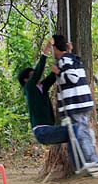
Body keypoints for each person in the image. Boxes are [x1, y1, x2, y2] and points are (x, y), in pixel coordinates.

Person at [17, 38, 79, 170]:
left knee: (74, 133)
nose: (37, 76)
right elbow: (40, 70)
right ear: (26, 80)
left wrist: (67, 53)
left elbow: (54, 74)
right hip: (42, 131)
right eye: (32, 75)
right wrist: (46, 50)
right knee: (74, 130)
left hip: (47, 130)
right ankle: (78, 165)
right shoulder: (29, 88)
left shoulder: (41, 88)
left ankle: (77, 164)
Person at [50, 34, 98, 169]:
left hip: (76, 102)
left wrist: (58, 72)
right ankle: (93, 158)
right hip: (83, 100)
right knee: (84, 130)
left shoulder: (64, 61)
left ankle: (92, 160)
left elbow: (72, 77)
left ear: (56, 48)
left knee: (81, 132)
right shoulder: (71, 58)